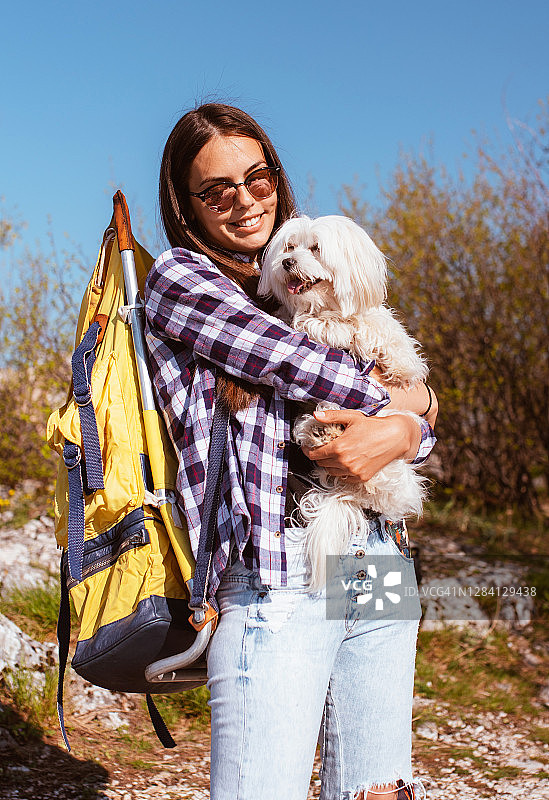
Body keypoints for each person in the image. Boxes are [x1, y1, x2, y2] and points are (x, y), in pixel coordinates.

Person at [144, 103, 437, 800]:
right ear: (185, 206)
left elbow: (398, 398)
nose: (245, 201)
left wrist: (408, 428)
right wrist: (416, 405)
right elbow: (298, 364)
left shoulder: (306, 286)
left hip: (378, 555)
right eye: (216, 190)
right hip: (277, 572)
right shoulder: (180, 279)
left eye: (258, 177)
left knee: (378, 791)